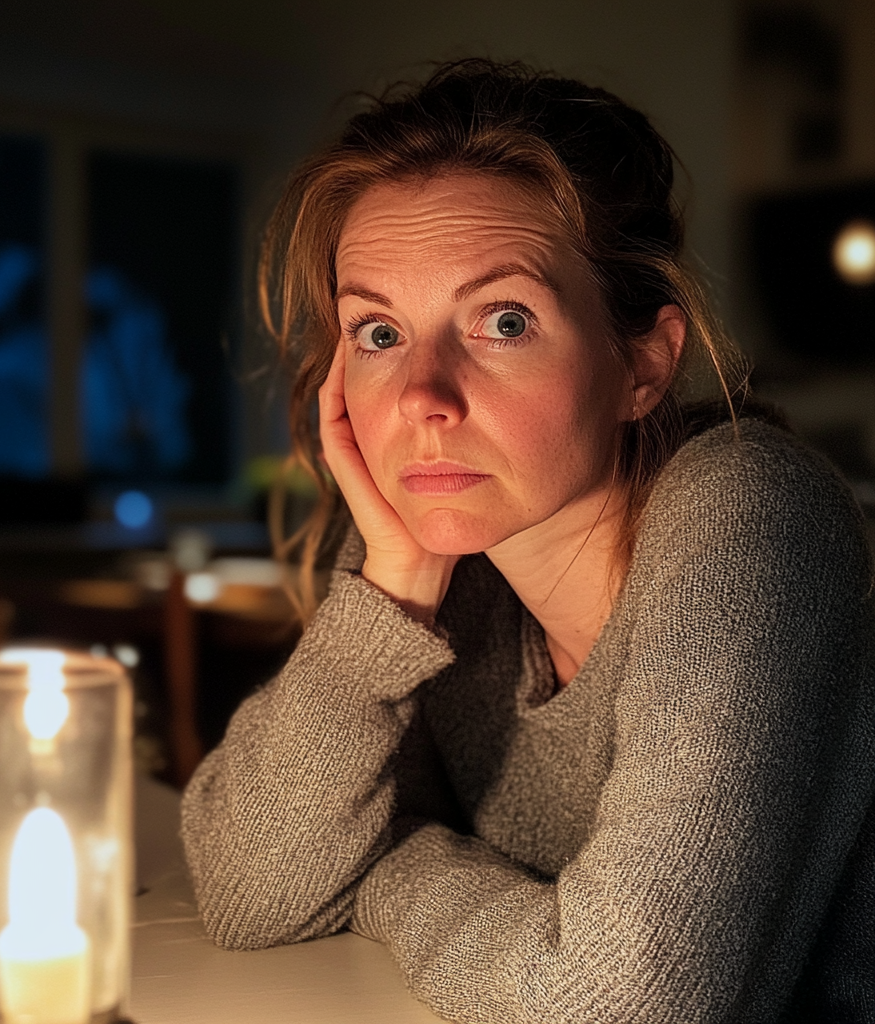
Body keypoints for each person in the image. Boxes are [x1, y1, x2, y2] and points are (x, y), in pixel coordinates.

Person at [181, 60, 875, 1023]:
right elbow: (249, 891)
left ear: (642, 363)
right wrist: (393, 585)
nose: (423, 398)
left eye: (502, 321)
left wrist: (389, 867)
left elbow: (618, 1005)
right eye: (377, 332)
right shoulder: (435, 546)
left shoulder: (751, 511)